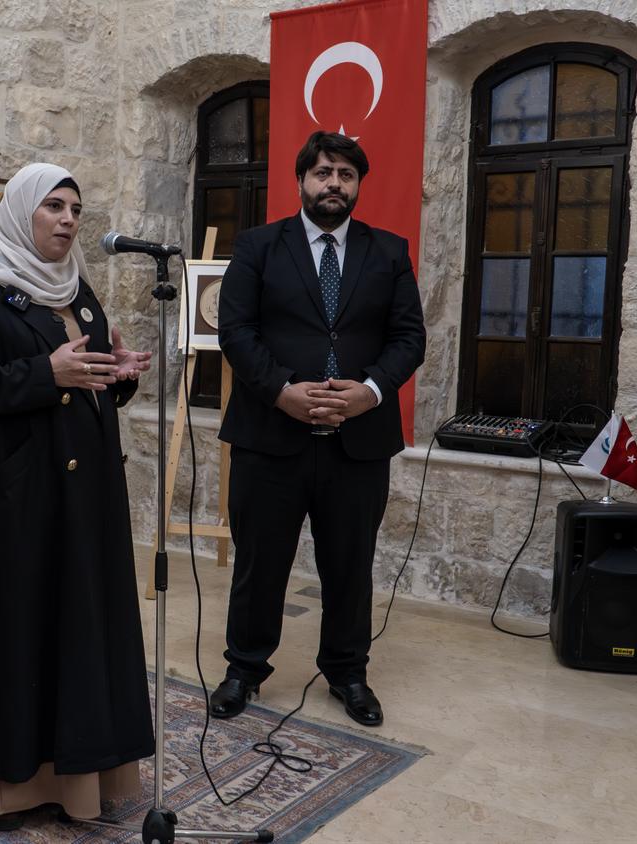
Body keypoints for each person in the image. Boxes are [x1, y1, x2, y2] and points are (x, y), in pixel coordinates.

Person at [0, 163, 155, 831]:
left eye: (76, 210)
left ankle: (80, 774)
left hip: (83, 499)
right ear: (21, 212)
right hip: (13, 501)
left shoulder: (81, 293)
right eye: (53, 206)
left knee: (76, 626)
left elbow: (84, 379)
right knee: (16, 630)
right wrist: (44, 372)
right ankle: (6, 787)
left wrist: (116, 376)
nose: (67, 220)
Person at [210, 132, 426, 728]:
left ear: (359, 186)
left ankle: (348, 673)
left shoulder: (388, 252)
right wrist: (282, 390)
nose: (335, 184)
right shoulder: (257, 247)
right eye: (324, 172)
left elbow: (410, 339)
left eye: (347, 175)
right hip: (268, 436)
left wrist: (370, 393)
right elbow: (237, 331)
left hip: (357, 443)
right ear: (301, 180)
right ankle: (245, 669)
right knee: (260, 561)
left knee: (351, 565)